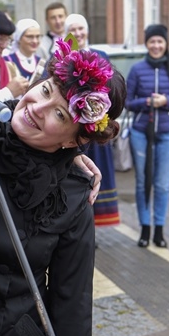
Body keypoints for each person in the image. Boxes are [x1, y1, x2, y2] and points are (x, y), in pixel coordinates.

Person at [0, 38, 125, 336]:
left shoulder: (73, 195)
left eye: (59, 114)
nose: (36, 108)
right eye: (44, 91)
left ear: (75, 139)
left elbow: (72, 300)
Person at [126, 24, 169, 248]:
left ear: (166, 44)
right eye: (152, 41)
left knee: (162, 184)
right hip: (141, 132)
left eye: (160, 41)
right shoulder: (136, 69)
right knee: (143, 182)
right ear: (146, 44)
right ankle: (144, 229)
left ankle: (159, 231)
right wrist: (147, 102)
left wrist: (166, 101)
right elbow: (126, 102)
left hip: (168, 133)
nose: (156, 45)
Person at [65, 13, 120, 226]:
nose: (78, 33)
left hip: (97, 125)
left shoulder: (101, 54)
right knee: (77, 175)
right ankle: (78, 222)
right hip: (74, 129)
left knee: (98, 175)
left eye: (81, 28)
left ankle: (94, 223)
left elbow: (113, 88)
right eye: (74, 30)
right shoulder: (63, 57)